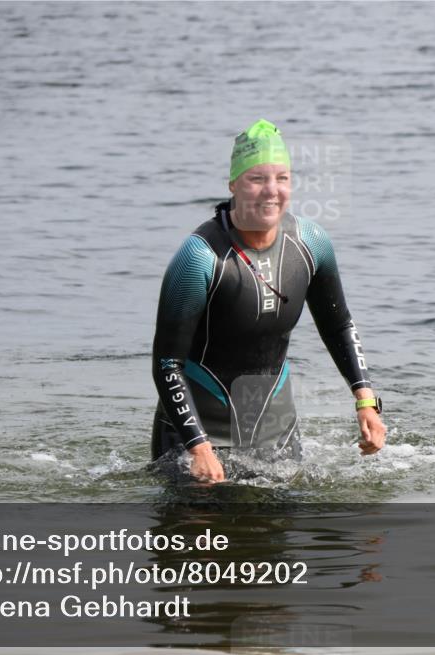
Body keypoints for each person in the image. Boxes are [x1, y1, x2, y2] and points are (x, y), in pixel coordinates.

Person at [151, 119, 386, 482]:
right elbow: (168, 364)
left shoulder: (310, 243)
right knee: (195, 535)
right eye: (256, 179)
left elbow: (339, 325)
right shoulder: (199, 258)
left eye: (282, 178)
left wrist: (365, 401)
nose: (271, 191)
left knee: (277, 534)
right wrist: (198, 448)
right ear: (233, 184)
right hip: (193, 433)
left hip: (274, 430)